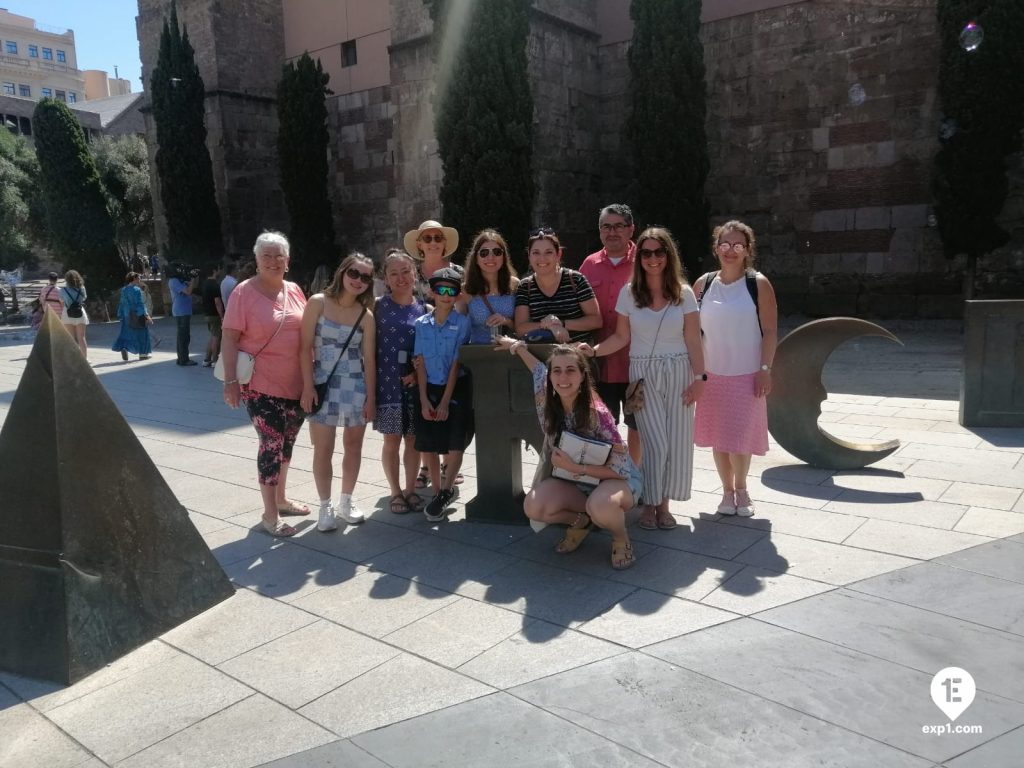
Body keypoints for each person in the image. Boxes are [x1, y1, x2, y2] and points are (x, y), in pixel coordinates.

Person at [580, 227, 706, 530]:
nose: (653, 258)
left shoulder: (684, 293)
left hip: (679, 370)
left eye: (659, 252)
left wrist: (700, 377)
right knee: (653, 442)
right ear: (640, 258)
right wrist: (593, 351)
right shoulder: (629, 293)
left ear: (669, 255)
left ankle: (664, 505)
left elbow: (693, 339)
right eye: (646, 253)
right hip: (643, 375)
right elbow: (621, 337)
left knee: (677, 442)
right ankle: (649, 502)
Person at [494, 339, 642, 569]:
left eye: (571, 370)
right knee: (534, 507)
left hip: (615, 481)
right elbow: (538, 369)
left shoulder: (597, 414)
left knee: (600, 506)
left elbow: (621, 470)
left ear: (583, 376)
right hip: (578, 482)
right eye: (557, 371)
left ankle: (620, 537)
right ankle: (581, 522)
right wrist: (516, 346)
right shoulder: (546, 396)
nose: (563, 377)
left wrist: (575, 468)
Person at [222, 231, 309, 537]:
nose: (273, 261)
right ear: (257, 260)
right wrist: (230, 381)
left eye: (278, 256)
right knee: (271, 445)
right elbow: (229, 338)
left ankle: (281, 499)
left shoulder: (295, 290)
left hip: (295, 385)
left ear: (288, 260)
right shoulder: (243, 293)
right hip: (260, 386)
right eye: (266, 256)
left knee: (287, 444)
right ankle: (270, 515)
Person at [693, 220, 778, 517]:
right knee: (720, 438)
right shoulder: (703, 284)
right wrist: (695, 372)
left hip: (746, 373)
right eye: (725, 244)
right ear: (716, 248)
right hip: (712, 374)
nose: (731, 250)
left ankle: (742, 490)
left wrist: (765, 368)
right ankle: (726, 492)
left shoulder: (758, 284)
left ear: (747, 250)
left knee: (740, 439)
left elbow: (770, 330)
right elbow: (692, 332)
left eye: (738, 245)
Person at [300, 254, 377, 532]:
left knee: (353, 446)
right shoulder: (318, 302)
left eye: (365, 277)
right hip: (324, 384)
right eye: (354, 273)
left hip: (355, 386)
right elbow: (304, 348)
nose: (358, 280)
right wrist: (307, 386)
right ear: (342, 272)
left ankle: (346, 500)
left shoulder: (366, 316)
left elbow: (369, 360)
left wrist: (371, 398)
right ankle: (325, 506)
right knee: (324, 448)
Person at [580, 204, 640, 464]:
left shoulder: (646, 261)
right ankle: (608, 475)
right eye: (606, 226)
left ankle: (636, 476)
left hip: (636, 363)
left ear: (631, 229)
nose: (612, 232)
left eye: (618, 226)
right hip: (600, 364)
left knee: (639, 426)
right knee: (602, 426)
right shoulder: (589, 264)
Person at [414, 267, 473, 522]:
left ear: (458, 294)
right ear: (432, 292)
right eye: (441, 290)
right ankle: (437, 491)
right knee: (429, 442)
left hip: (454, 387)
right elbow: (420, 362)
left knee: (454, 441)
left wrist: (446, 401)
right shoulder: (421, 324)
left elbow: (456, 364)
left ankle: (447, 489)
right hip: (429, 387)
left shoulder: (462, 323)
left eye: (452, 290)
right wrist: (423, 398)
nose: (446, 295)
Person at [374, 249, 428, 514]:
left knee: (413, 439)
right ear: (386, 278)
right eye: (394, 273)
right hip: (386, 383)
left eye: (406, 271)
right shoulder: (377, 306)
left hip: (414, 384)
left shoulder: (425, 309)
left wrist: (418, 374)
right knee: (392, 439)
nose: (401, 278)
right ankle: (395, 492)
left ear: (415, 274)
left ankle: (410, 489)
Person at [514, 227, 602, 343]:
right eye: (536, 253)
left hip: (577, 351)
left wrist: (562, 323)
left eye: (548, 252)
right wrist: (551, 326)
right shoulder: (525, 286)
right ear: (529, 256)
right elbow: (520, 329)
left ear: (558, 254)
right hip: (541, 352)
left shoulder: (576, 280)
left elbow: (596, 321)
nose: (542, 258)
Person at [459, 229, 519, 343]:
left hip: (510, 350)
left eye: (497, 252)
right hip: (478, 351)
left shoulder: (515, 285)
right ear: (476, 259)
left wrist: (506, 321)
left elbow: (522, 327)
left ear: (504, 257)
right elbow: (459, 329)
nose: (490, 257)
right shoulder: (465, 290)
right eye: (484, 253)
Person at [403, 219, 459, 300]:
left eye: (438, 238)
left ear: (444, 243)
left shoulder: (458, 272)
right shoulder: (411, 275)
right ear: (419, 245)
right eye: (427, 238)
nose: (433, 243)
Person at [111, 272, 153, 361]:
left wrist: (121, 314)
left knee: (127, 333)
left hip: (126, 316)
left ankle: (124, 347)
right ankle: (143, 354)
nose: (140, 280)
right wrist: (146, 315)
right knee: (142, 333)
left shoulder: (124, 290)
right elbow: (140, 304)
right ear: (134, 279)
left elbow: (122, 303)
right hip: (137, 315)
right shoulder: (137, 290)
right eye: (138, 278)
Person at [168, 265, 198, 366]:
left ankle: (181, 358)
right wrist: (192, 279)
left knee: (183, 335)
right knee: (183, 336)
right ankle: (184, 360)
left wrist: (194, 277)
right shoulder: (174, 281)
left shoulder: (179, 280)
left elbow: (193, 287)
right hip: (181, 311)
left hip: (184, 311)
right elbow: (188, 291)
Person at [59, 270, 89, 358]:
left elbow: (61, 301)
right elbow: (84, 298)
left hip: (67, 314)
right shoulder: (82, 288)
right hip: (80, 313)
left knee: (71, 339)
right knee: (81, 337)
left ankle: (73, 360)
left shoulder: (63, 290)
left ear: (66, 279)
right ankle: (84, 359)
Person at [201, 262, 225, 367]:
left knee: (212, 336)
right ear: (214, 271)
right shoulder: (214, 285)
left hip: (207, 313)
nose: (220, 271)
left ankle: (207, 359)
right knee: (217, 337)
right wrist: (222, 316)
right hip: (214, 314)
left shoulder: (205, 283)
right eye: (219, 269)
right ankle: (215, 360)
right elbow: (217, 302)